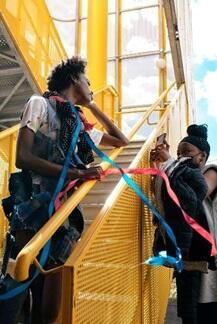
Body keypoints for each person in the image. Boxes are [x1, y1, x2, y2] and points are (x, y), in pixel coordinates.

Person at [0, 56, 129, 324]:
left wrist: (90, 103)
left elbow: (121, 140)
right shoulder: (39, 104)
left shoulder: (79, 125)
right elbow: (22, 157)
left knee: (50, 305)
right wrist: (78, 173)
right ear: (73, 79)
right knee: (29, 285)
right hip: (33, 202)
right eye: (87, 82)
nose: (91, 87)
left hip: (66, 210)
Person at [150, 124, 217, 324]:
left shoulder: (211, 171)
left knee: (207, 309)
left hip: (207, 254)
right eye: (179, 152)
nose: (181, 156)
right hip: (189, 251)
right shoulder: (179, 172)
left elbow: (196, 195)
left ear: (202, 157)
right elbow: (172, 198)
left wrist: (170, 160)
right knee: (189, 310)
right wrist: (158, 167)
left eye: (187, 152)